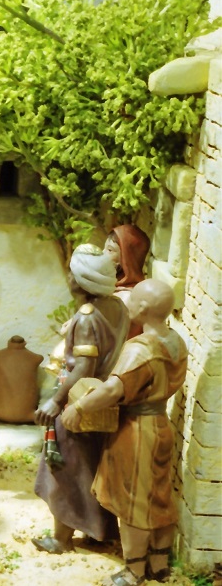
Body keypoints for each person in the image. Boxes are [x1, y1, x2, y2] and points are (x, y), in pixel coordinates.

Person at [62, 279, 187, 585]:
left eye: (133, 299)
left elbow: (112, 390)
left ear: (143, 308)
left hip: (137, 431)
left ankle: (134, 571)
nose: (127, 302)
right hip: (159, 424)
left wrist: (79, 408)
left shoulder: (140, 350)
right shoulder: (176, 341)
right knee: (159, 497)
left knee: (133, 504)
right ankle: (159, 564)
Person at [32, 243, 130, 554]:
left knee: (65, 470)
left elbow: (85, 367)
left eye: (73, 273)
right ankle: (99, 531)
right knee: (91, 468)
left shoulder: (87, 317)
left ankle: (61, 539)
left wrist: (56, 400)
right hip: (103, 400)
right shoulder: (118, 307)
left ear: (82, 281)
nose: (69, 278)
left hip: (80, 400)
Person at [104, 224, 151, 338]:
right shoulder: (113, 287)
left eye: (109, 250)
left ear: (127, 258)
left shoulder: (126, 298)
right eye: (104, 248)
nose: (102, 254)